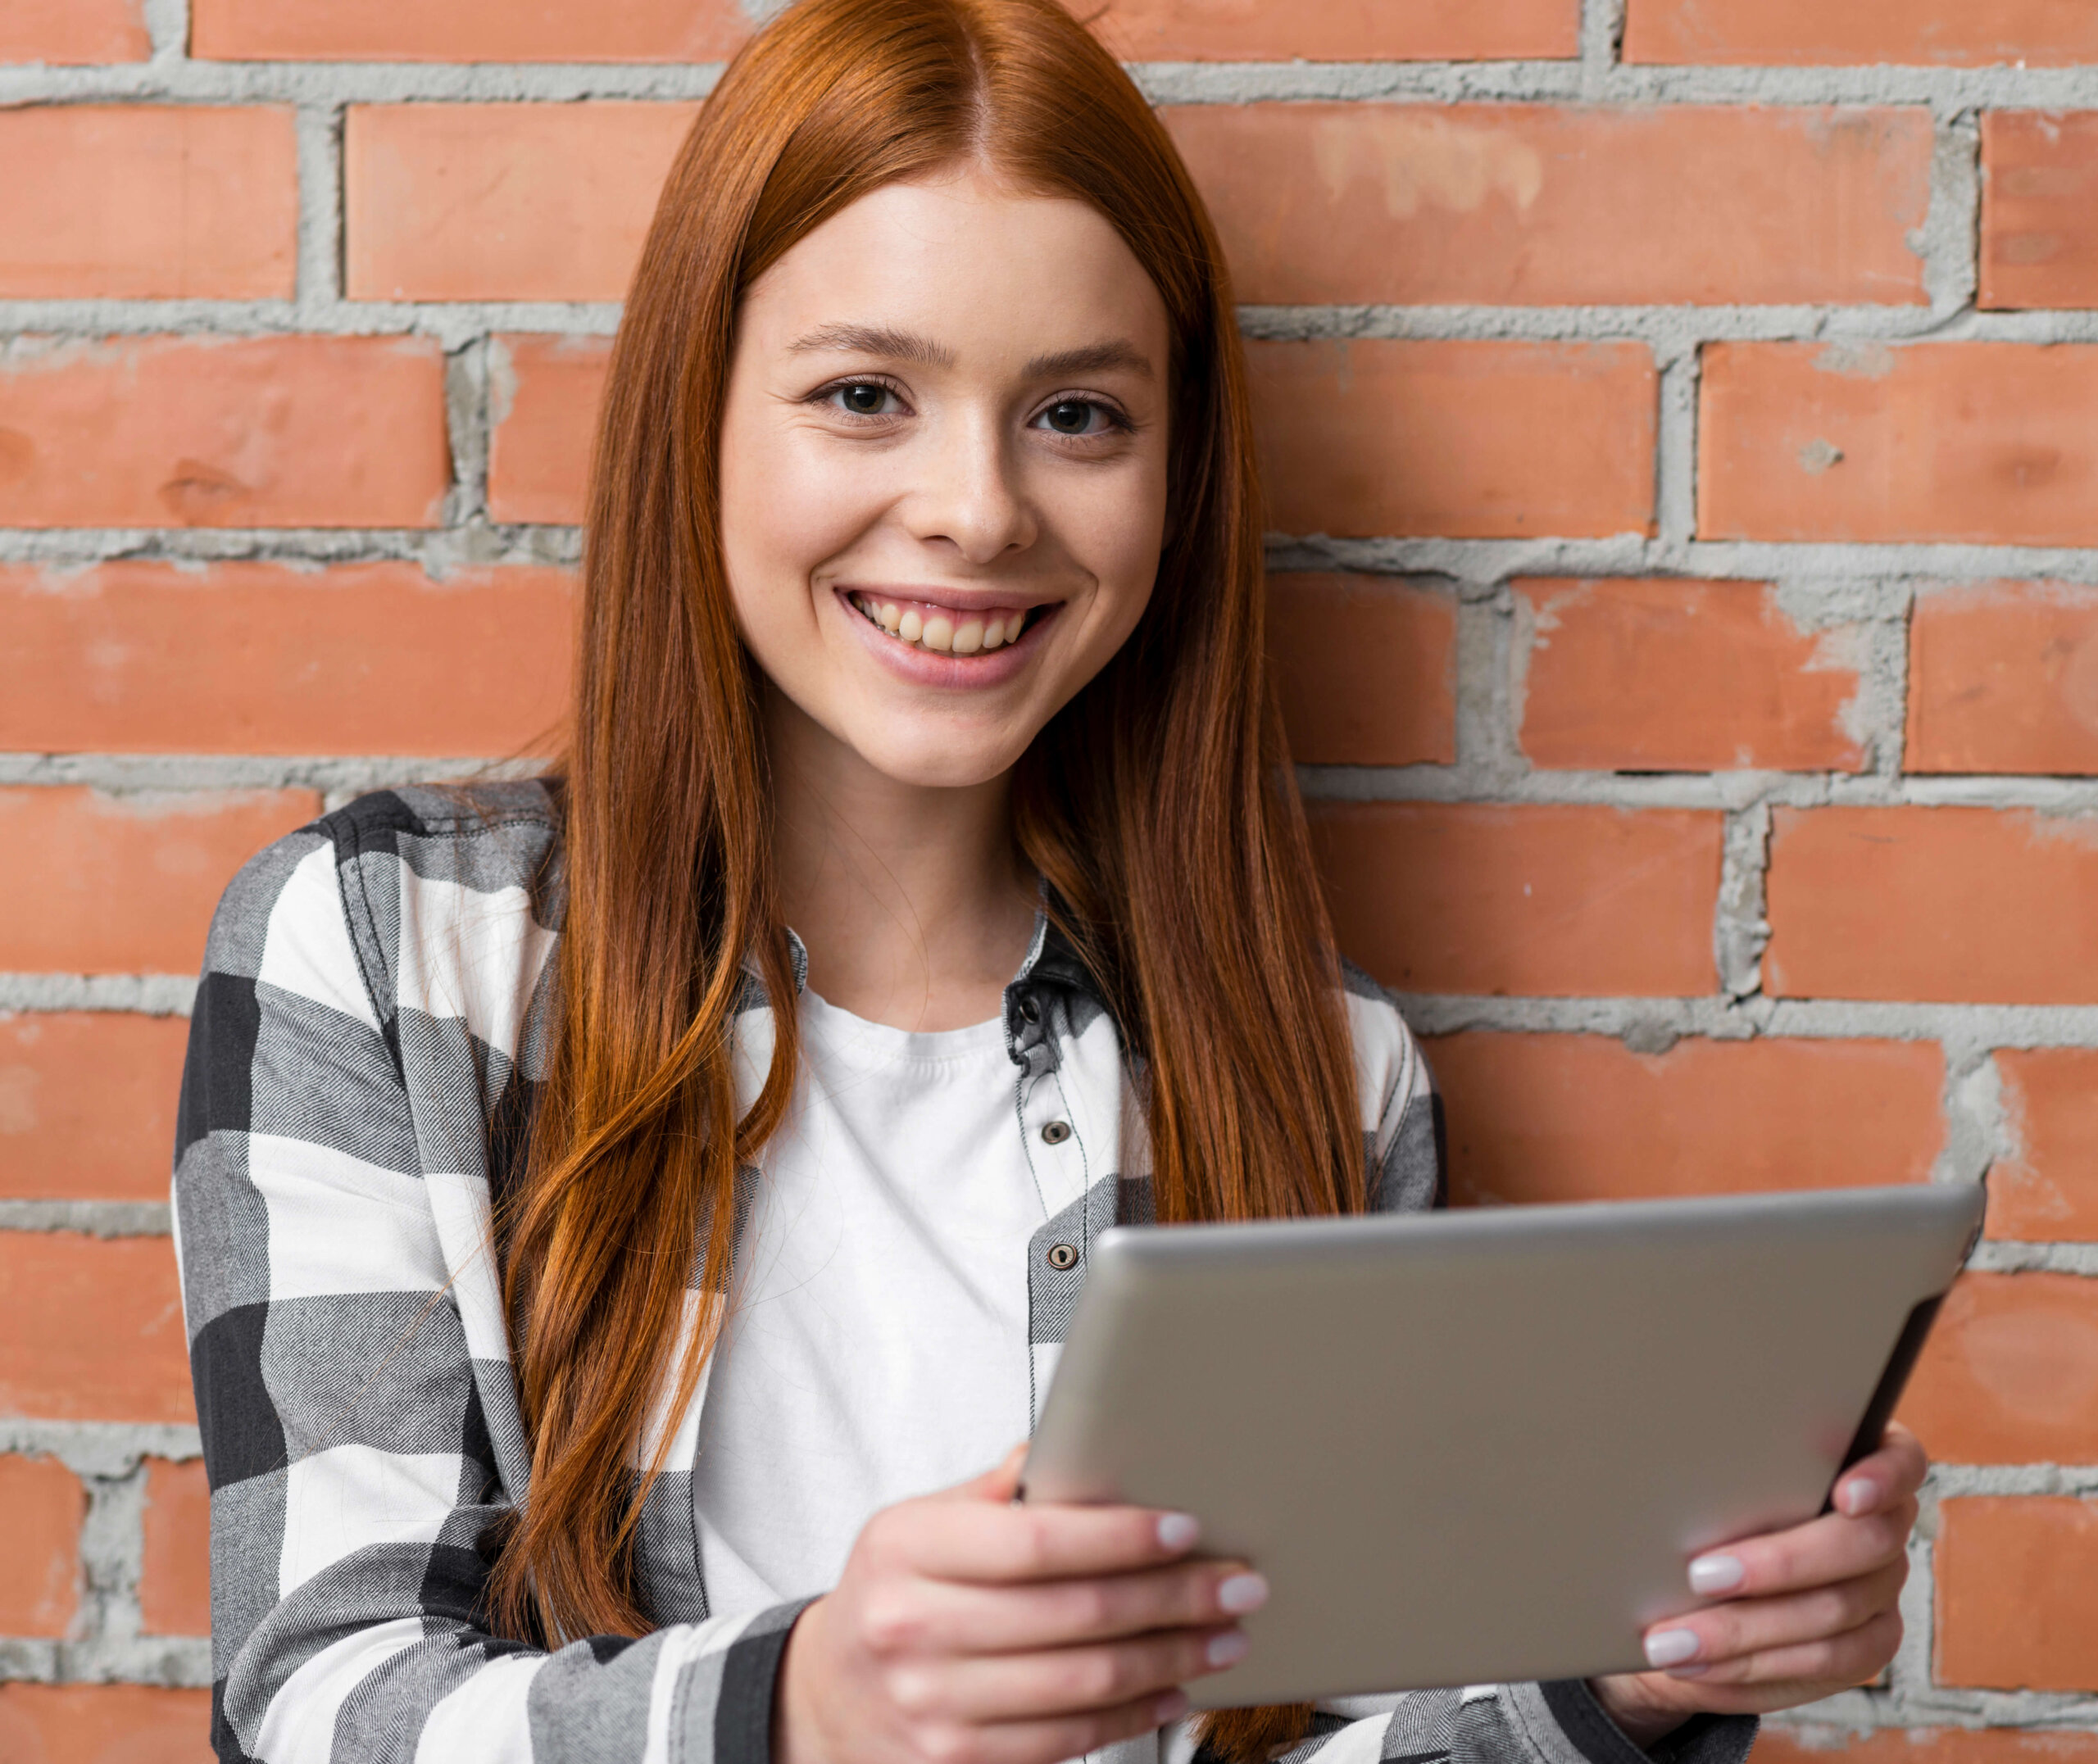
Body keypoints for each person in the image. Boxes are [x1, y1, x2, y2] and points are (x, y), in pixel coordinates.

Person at [171, 2, 1923, 1760]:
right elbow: (318, 1703)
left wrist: (1625, 1681)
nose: (977, 511)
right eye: (865, 396)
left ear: (1174, 479)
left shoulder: (1324, 1073)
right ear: (696, 417)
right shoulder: (387, 961)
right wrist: (807, 1707)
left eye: (1075, 415)